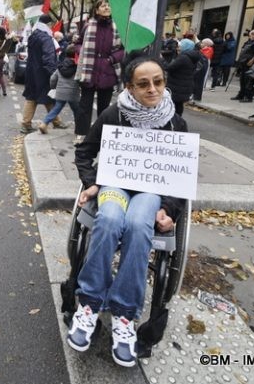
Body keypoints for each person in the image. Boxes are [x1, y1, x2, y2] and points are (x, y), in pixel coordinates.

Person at [69, 55, 187, 368]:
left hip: (150, 191)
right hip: (115, 185)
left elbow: (181, 174)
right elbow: (85, 151)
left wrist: (170, 210)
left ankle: (124, 314)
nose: (152, 89)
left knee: (138, 225)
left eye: (158, 82)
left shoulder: (176, 121)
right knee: (107, 220)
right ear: (130, 88)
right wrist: (91, 183)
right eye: (143, 84)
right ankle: (90, 304)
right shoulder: (113, 114)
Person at [75, 0, 125, 136]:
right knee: (84, 106)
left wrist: (111, 59)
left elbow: (123, 50)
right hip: (88, 71)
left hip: (108, 72)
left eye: (109, 5)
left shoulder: (117, 27)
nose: (107, 7)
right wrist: (82, 51)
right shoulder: (88, 25)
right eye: (103, 6)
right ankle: (81, 135)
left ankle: (102, 136)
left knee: (104, 108)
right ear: (97, 10)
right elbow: (78, 43)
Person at [20, 14, 65, 133]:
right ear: (48, 24)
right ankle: (56, 122)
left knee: (32, 98)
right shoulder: (46, 38)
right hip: (43, 74)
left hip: (31, 73)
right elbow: (49, 59)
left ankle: (26, 124)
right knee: (49, 97)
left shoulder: (33, 36)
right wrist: (54, 74)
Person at [39, 45, 80, 135]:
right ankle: (79, 129)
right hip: (73, 93)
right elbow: (80, 80)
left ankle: (44, 123)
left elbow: (53, 78)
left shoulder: (61, 66)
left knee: (56, 109)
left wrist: (53, 87)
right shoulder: (78, 67)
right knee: (77, 110)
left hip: (61, 92)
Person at [166, 39, 199, 116]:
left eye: (180, 46)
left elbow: (169, 67)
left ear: (185, 47)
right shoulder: (191, 57)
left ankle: (175, 122)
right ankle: (178, 121)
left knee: (174, 106)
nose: (178, 48)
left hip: (177, 86)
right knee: (178, 105)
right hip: (184, 85)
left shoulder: (183, 58)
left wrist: (161, 60)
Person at [232, 29, 254, 102]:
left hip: (250, 64)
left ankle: (248, 96)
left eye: (251, 35)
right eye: (250, 35)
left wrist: (252, 60)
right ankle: (241, 94)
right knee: (242, 79)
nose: (250, 36)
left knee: (248, 81)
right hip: (244, 62)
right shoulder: (249, 42)